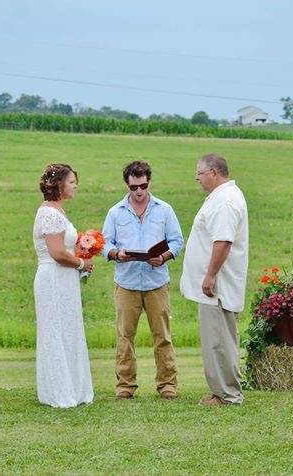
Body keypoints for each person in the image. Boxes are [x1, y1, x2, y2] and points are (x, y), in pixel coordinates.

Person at [102, 161, 183, 400]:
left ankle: (167, 383)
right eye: (134, 187)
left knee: (162, 336)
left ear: (149, 182)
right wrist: (117, 254)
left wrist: (164, 257)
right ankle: (125, 385)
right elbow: (105, 243)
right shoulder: (115, 212)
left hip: (156, 282)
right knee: (125, 336)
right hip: (126, 283)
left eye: (143, 186)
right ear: (127, 184)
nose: (139, 191)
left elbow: (177, 241)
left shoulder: (164, 210)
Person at [180, 154, 248, 406]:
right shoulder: (222, 197)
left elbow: (223, 241)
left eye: (199, 172)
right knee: (215, 337)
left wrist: (210, 275)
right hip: (215, 284)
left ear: (214, 172)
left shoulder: (226, 201)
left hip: (217, 285)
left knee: (219, 338)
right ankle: (221, 390)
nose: (196, 178)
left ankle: (227, 394)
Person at [32, 163, 94, 408]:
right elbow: (57, 252)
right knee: (55, 329)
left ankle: (74, 387)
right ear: (58, 185)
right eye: (71, 182)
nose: (75, 185)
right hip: (53, 277)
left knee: (69, 328)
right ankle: (58, 390)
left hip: (65, 279)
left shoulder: (58, 211)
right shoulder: (48, 213)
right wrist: (81, 262)